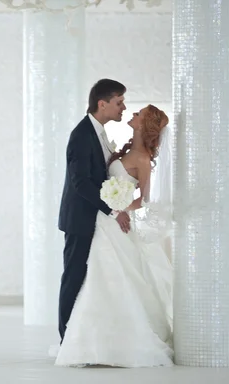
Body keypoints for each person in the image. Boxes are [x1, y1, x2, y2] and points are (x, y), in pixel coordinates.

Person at [55, 103, 174, 368]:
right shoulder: (124, 147)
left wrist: (119, 207)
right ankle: (86, 338)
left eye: (138, 114)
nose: (132, 113)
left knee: (108, 275)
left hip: (114, 221)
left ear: (145, 124)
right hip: (102, 217)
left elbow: (142, 200)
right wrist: (111, 206)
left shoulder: (143, 159)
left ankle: (112, 341)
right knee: (93, 275)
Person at [57, 78, 130, 344]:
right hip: (79, 219)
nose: (123, 108)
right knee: (73, 277)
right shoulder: (81, 134)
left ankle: (82, 336)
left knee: (86, 279)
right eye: (119, 102)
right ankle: (67, 338)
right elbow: (80, 183)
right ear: (103, 103)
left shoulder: (98, 132)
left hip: (93, 219)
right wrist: (113, 209)